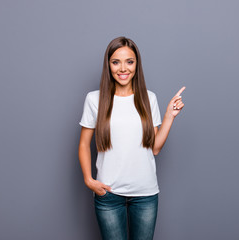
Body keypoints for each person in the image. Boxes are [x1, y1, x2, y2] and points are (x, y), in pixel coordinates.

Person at [78, 36, 185, 240]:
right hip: (108, 195)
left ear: (137, 64)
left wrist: (169, 116)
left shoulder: (148, 98)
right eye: (115, 62)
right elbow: (83, 144)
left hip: (145, 194)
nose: (123, 68)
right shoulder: (94, 99)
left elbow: (154, 148)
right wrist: (89, 180)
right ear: (108, 65)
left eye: (129, 61)